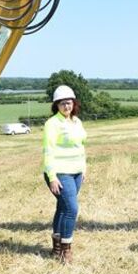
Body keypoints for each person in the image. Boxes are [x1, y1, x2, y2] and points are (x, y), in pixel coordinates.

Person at [43, 85, 87, 263]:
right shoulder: (52, 124)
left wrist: (84, 168)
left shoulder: (77, 121)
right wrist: (52, 177)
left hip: (76, 172)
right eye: (62, 103)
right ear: (56, 105)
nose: (66, 106)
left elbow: (81, 146)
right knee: (72, 209)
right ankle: (66, 250)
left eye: (68, 103)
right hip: (60, 172)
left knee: (63, 208)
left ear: (73, 103)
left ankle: (56, 248)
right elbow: (48, 151)